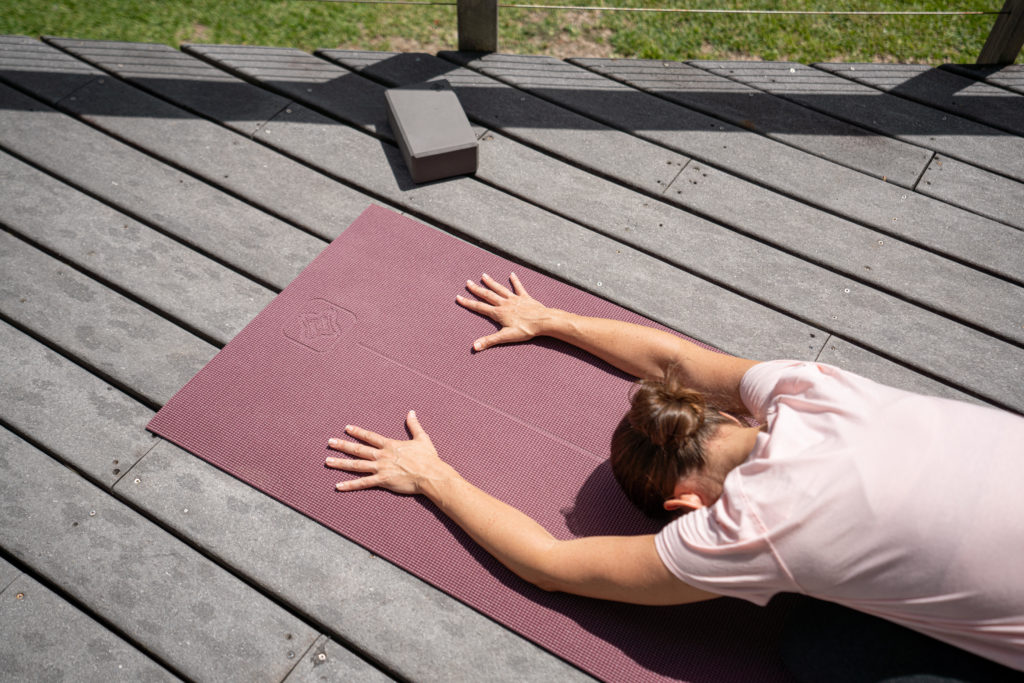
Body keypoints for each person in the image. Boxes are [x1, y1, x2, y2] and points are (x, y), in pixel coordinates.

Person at [324, 273, 1024, 676]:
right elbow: (678, 360)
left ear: (684, 501)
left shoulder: (747, 528)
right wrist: (551, 318)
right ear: (721, 414)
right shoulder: (806, 387)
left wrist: (433, 476)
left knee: (817, 653)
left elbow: (548, 563)